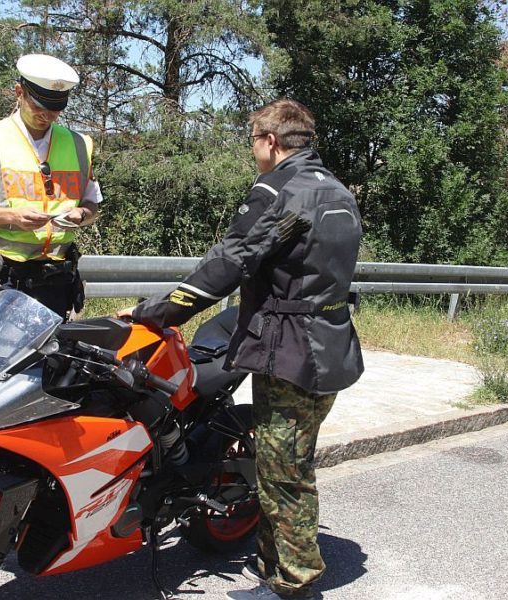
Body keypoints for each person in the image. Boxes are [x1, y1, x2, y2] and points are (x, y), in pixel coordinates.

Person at [119, 99, 364, 599]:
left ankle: (294, 584)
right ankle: (272, 564)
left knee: (285, 472)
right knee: (289, 458)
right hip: (332, 342)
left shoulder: (280, 191)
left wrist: (159, 312)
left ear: (270, 141)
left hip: (294, 352)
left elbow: (230, 261)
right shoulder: (338, 191)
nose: (253, 151)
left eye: (253, 140)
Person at [0, 53, 101, 319]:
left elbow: (92, 205)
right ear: (19, 92)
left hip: (53, 278)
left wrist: (82, 215)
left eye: (56, 109)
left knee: (49, 359)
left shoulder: (79, 144)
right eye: (40, 106)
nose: (48, 115)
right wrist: (12, 217)